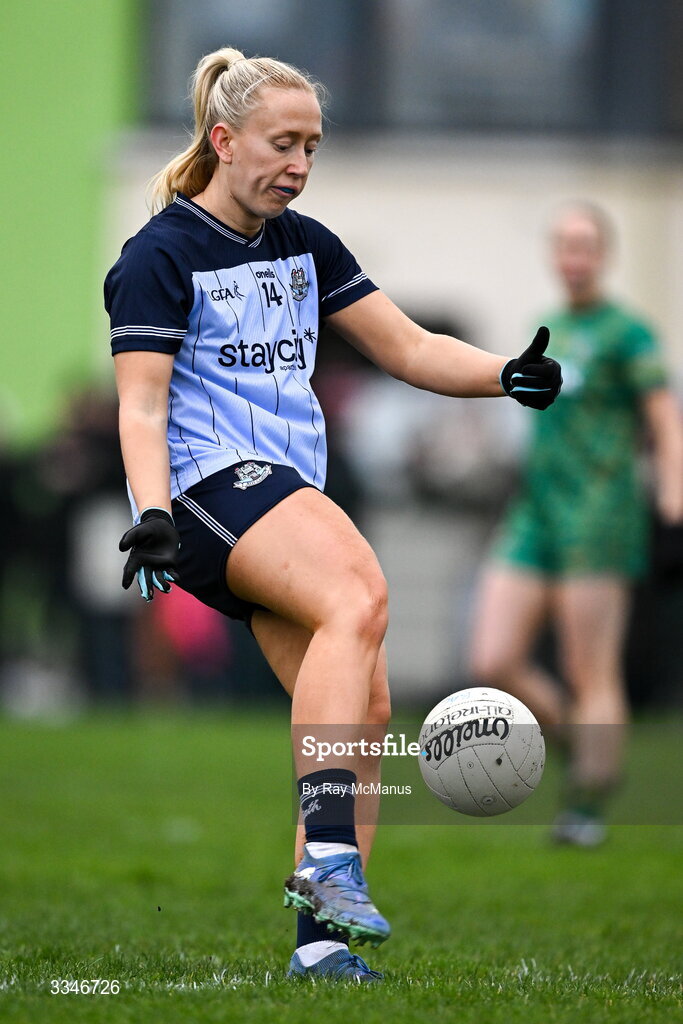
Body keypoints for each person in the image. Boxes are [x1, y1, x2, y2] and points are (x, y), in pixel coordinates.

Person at [104, 46, 561, 982]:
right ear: (223, 141)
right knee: (358, 592)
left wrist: (502, 375)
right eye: (282, 144)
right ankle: (325, 860)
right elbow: (141, 405)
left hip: (281, 492)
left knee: (368, 702)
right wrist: (151, 509)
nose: (299, 165)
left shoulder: (305, 243)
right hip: (204, 492)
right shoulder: (157, 256)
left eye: (311, 146)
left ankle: (320, 945)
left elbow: (409, 347)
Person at [469, 202, 683, 847]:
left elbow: (665, 421)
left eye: (586, 245)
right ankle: (585, 751)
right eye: (565, 244)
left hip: (600, 515)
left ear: (604, 255)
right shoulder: (549, 330)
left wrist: (674, 496)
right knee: (492, 658)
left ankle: (587, 806)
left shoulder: (629, 334)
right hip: (535, 511)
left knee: (591, 668)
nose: (575, 256)